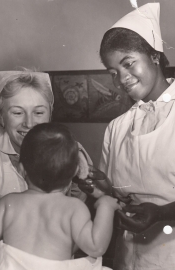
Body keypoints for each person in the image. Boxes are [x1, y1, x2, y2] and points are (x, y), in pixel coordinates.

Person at [0, 70, 90, 267]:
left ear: (50, 112)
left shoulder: (70, 151)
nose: (29, 123)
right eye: (17, 112)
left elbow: (77, 223)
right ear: (1, 115)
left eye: (38, 112)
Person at [0, 123, 120, 270]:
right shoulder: (74, 208)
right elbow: (96, 247)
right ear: (75, 171)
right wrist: (105, 206)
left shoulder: (8, 203)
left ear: (22, 169)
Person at [95, 2, 175, 270]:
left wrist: (162, 213)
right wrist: (98, 185)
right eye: (113, 73)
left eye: (128, 64)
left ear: (154, 56)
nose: (122, 79)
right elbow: (115, 191)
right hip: (129, 258)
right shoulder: (117, 128)